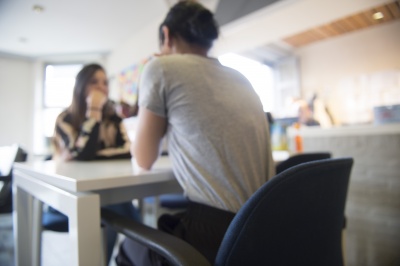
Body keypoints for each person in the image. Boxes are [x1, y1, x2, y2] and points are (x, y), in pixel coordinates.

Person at [116, 1, 275, 265]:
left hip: (214, 238)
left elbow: (144, 159)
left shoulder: (161, 68)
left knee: (128, 250)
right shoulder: (240, 77)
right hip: (264, 232)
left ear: (166, 35)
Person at [52, 63, 140, 264]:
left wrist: (88, 153)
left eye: (105, 82)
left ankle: (139, 250)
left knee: (110, 207)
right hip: (71, 194)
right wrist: (93, 111)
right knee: (109, 211)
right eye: (94, 82)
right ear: (81, 87)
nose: (102, 87)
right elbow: (83, 154)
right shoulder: (65, 119)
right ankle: (147, 247)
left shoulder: (114, 119)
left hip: (108, 190)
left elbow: (127, 151)